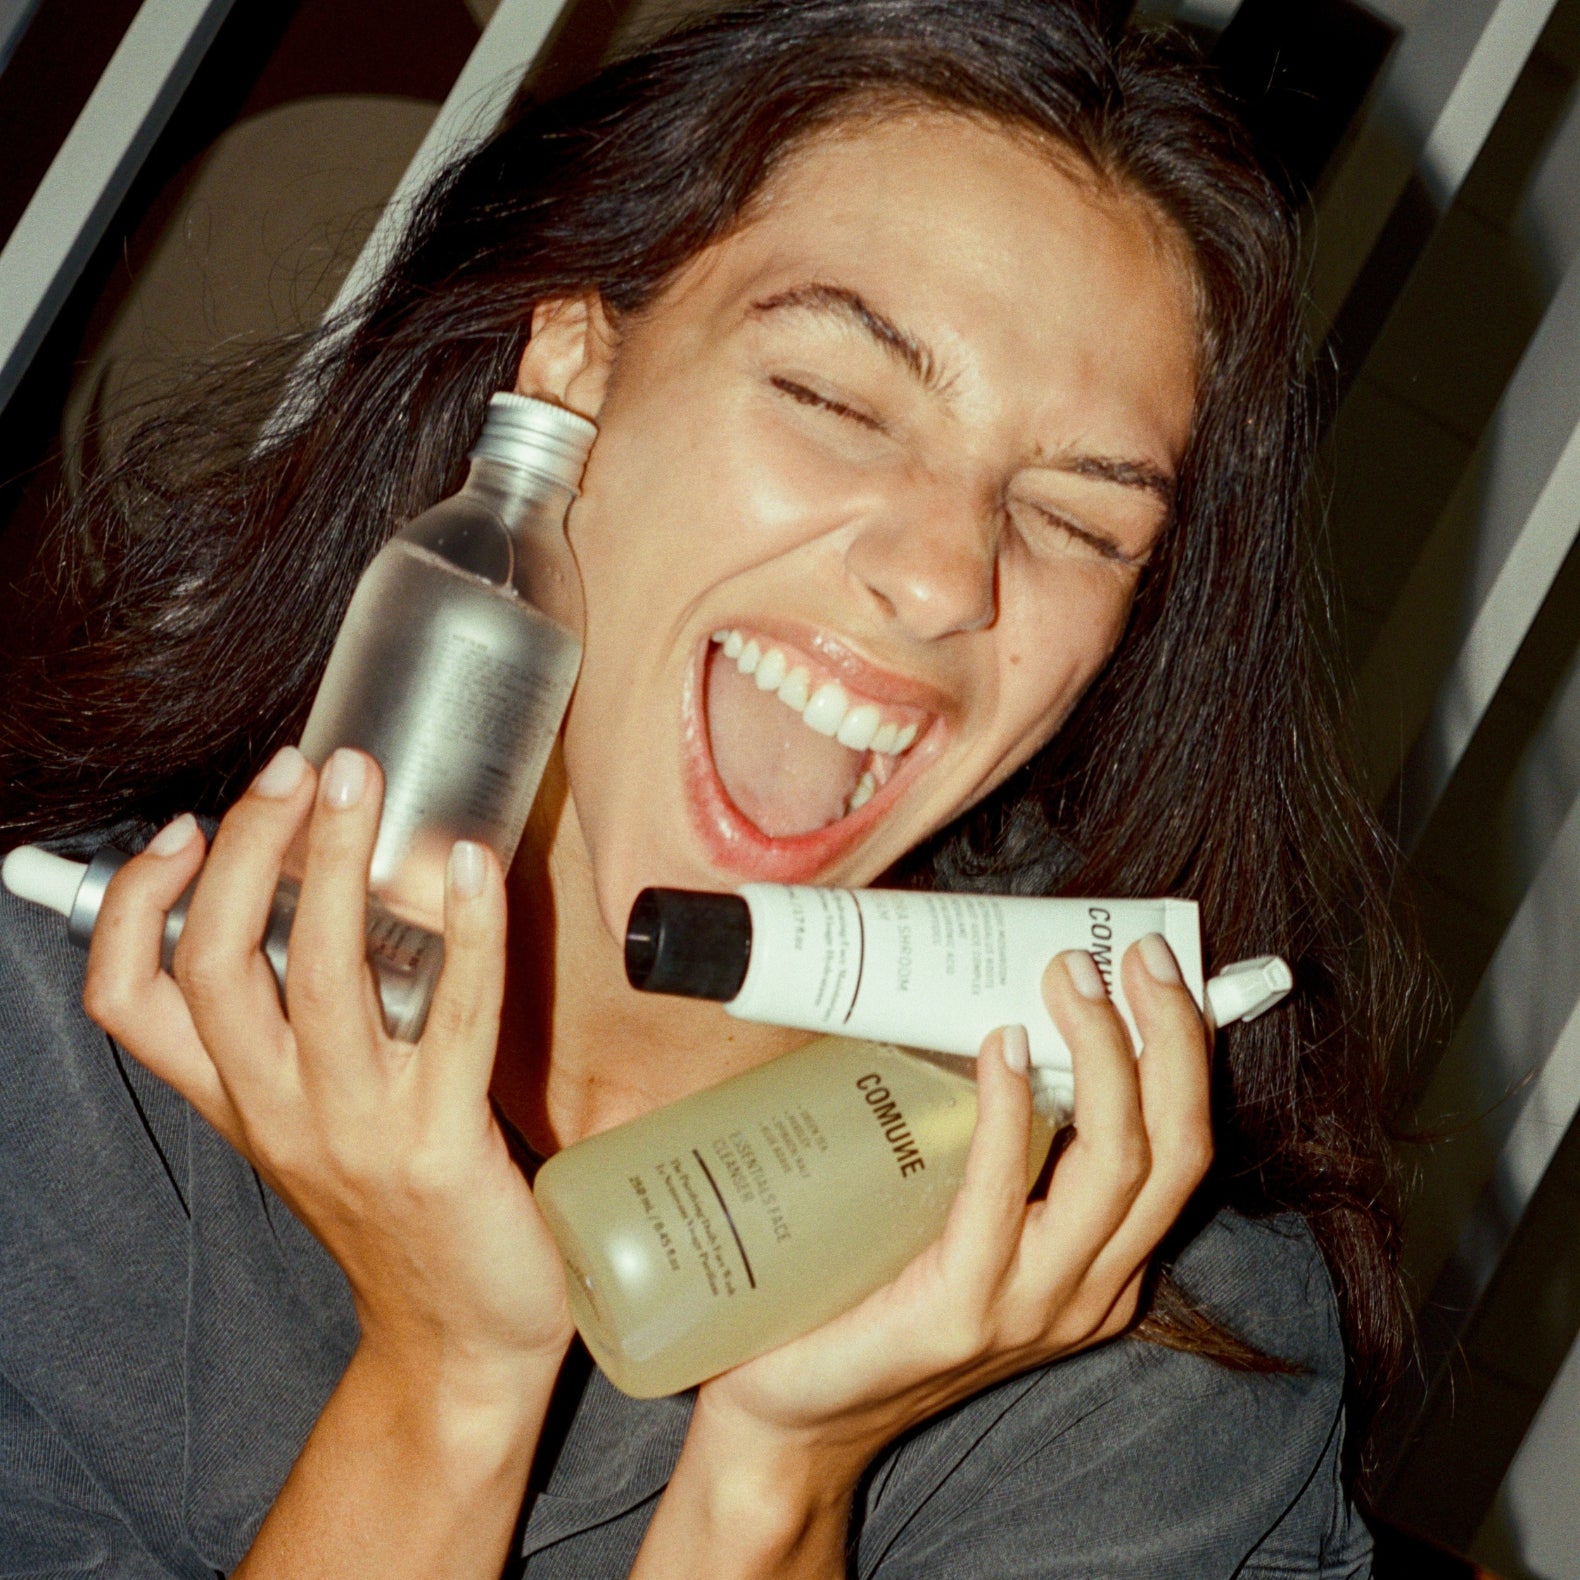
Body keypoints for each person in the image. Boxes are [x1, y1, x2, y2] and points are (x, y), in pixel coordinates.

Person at [0, 1, 1417, 1574]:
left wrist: (782, 1480)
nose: (949, 574)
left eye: (1082, 522)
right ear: (576, 364)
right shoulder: (53, 1066)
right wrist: (450, 1378)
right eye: (835, 398)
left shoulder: (1138, 1340)